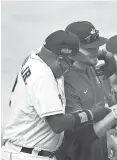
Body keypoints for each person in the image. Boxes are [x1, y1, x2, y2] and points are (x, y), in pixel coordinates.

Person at [1, 30, 108, 160]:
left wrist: (100, 54)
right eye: (69, 63)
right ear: (59, 59)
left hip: (26, 151)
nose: (69, 69)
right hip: (26, 155)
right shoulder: (43, 76)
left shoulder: (36, 56)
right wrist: (91, 114)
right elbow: (58, 124)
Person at [55, 22, 117, 160]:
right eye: (90, 48)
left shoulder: (91, 66)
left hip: (99, 151)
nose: (96, 51)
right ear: (72, 51)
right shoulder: (65, 82)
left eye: (97, 46)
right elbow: (83, 136)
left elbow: (95, 118)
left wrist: (106, 138)